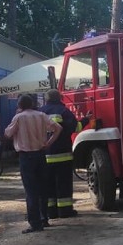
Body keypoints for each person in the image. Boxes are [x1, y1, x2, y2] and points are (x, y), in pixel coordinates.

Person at [4, 94, 61, 234]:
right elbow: (58, 128)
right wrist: (48, 143)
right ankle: (44, 219)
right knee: (43, 189)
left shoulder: (19, 117)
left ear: (20, 105)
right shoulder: (41, 115)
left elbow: (7, 134)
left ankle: (35, 223)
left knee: (31, 191)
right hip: (41, 154)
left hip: (26, 156)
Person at [39, 89, 78, 218]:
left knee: (48, 185)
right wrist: (86, 120)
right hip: (63, 156)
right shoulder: (64, 111)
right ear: (60, 98)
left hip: (45, 156)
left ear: (47, 99)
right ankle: (65, 211)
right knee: (63, 184)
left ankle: (51, 212)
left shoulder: (40, 112)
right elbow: (75, 128)